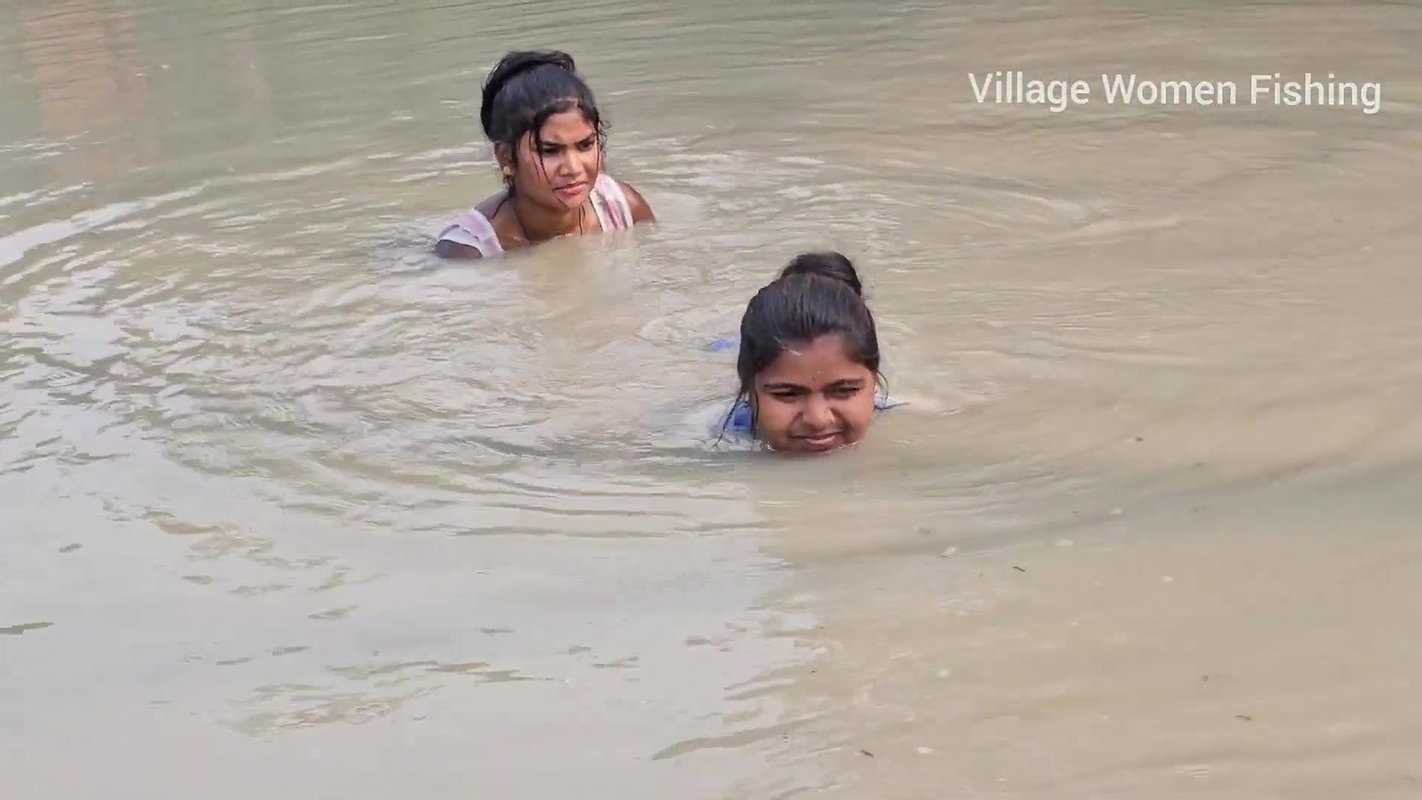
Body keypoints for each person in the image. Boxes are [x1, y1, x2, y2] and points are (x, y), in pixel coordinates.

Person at [435, 50, 655, 259]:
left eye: (585, 145)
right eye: (550, 151)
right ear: (506, 158)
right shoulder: (470, 251)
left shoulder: (622, 208)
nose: (573, 168)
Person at [723, 252, 894, 454]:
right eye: (787, 394)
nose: (818, 420)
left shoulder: (911, 421)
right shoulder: (712, 434)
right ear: (748, 388)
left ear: (875, 383)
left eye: (844, 390)